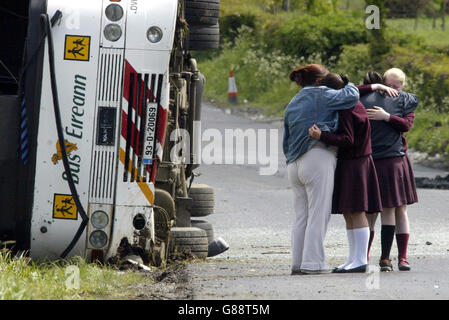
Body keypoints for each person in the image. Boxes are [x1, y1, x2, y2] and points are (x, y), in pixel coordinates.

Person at [308, 73, 397, 273]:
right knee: (349, 213)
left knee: (357, 211)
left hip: (356, 163)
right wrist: (373, 85)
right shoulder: (350, 100)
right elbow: (353, 87)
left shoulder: (348, 108)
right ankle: (352, 259)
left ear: (334, 93)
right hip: (353, 162)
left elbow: (348, 140)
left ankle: (360, 260)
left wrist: (322, 135)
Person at [283, 64, 360, 275]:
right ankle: (313, 263)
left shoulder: (294, 101)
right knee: (319, 213)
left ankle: (297, 263)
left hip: (294, 162)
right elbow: (351, 96)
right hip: (317, 155)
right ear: (318, 80)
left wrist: (292, 157)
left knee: (301, 216)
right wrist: (348, 81)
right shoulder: (322, 93)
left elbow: (286, 138)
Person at [360, 68, 418, 272]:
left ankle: (398, 257)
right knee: (371, 211)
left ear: (403, 86)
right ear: (383, 83)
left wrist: (386, 117)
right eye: (389, 85)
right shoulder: (370, 95)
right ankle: (364, 257)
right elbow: (352, 91)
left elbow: (406, 125)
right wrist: (376, 87)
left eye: (397, 86)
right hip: (375, 159)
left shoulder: (404, 101)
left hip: (395, 160)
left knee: (397, 208)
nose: (393, 89)